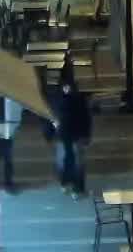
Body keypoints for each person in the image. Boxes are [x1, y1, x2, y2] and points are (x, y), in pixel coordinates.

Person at [47, 64, 92, 198]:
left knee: (68, 159)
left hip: (66, 133)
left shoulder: (56, 98)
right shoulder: (77, 98)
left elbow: (50, 116)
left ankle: (69, 184)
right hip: (71, 133)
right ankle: (74, 185)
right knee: (73, 160)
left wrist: (49, 133)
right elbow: (86, 117)